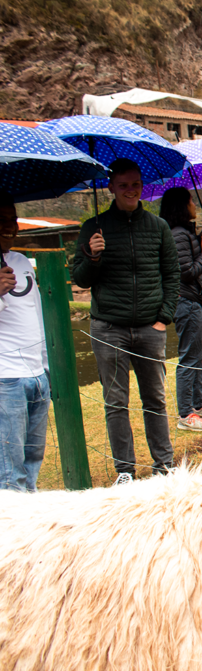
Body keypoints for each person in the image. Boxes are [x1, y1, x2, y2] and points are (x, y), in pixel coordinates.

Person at [72, 158, 180, 485]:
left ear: (142, 186)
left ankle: (164, 466)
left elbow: (171, 274)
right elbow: (81, 279)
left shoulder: (158, 227)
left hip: (150, 328)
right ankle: (125, 471)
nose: (130, 190)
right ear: (111, 187)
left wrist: (163, 318)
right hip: (109, 328)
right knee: (116, 402)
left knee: (155, 399)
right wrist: (93, 256)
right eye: (123, 185)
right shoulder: (93, 227)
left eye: (135, 184)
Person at [159, 187, 202, 432]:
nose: (194, 205)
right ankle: (186, 414)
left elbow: (187, 257)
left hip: (193, 302)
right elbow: (185, 272)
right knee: (189, 357)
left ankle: (199, 405)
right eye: (191, 201)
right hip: (186, 302)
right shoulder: (178, 234)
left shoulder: (184, 233)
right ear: (181, 206)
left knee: (196, 355)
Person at [0, 196, 50, 491]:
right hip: (6, 378)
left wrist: (46, 365)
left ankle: (28, 513)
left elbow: (36, 313)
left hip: (37, 375)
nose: (9, 227)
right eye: (1, 220)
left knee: (33, 459)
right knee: (10, 468)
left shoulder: (19, 261)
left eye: (12, 219)